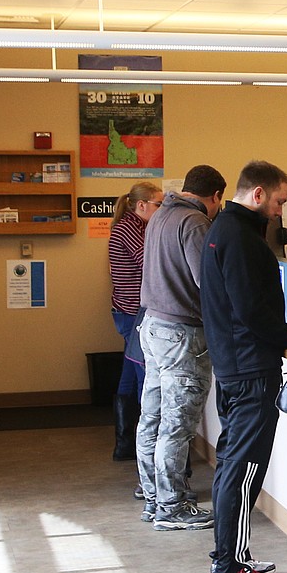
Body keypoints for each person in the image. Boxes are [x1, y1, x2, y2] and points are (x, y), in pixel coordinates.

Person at [200, 160, 287, 573]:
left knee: (232, 465)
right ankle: (229, 569)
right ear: (258, 194)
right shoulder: (241, 239)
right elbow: (252, 312)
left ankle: (232, 556)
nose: (280, 211)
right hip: (249, 369)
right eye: (279, 201)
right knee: (243, 470)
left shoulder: (223, 230)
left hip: (233, 365)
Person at [135, 165, 227, 531]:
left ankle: (154, 497)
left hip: (152, 327)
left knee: (152, 418)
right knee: (176, 426)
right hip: (181, 334)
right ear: (215, 196)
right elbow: (208, 283)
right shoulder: (194, 223)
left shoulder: (160, 216)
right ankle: (171, 507)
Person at [107, 181, 164, 463]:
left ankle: (125, 444)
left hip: (128, 311)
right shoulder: (130, 229)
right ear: (141, 205)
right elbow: (150, 264)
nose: (161, 210)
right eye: (158, 205)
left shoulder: (135, 227)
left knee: (130, 373)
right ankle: (147, 447)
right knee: (144, 375)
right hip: (133, 313)